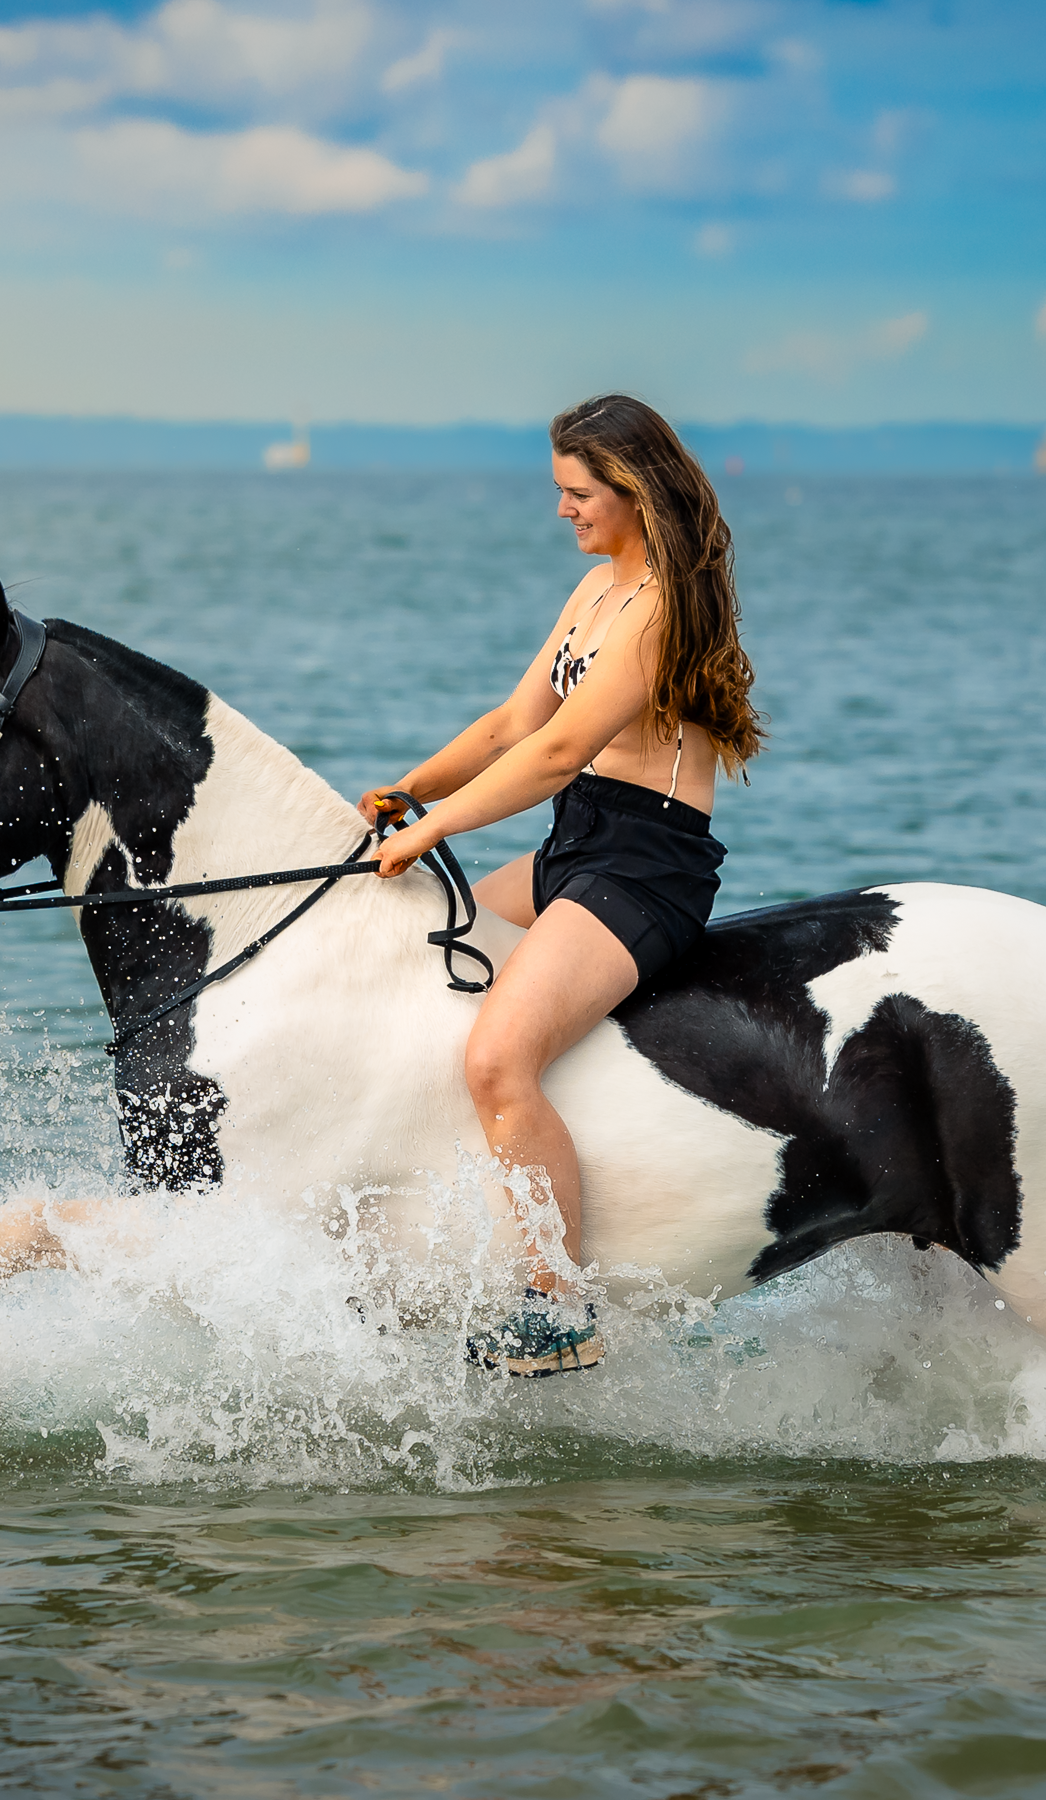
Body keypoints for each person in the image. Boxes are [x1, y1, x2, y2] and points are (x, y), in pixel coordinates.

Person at [359, 394, 764, 1377]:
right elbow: (512, 726)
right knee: (408, 940)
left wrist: (436, 829)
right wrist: (408, 791)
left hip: (644, 869)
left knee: (499, 1058)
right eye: (559, 490)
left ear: (632, 490)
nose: (562, 510)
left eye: (578, 493)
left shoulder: (661, 608)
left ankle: (558, 1308)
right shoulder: (594, 592)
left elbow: (558, 751)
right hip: (573, 851)